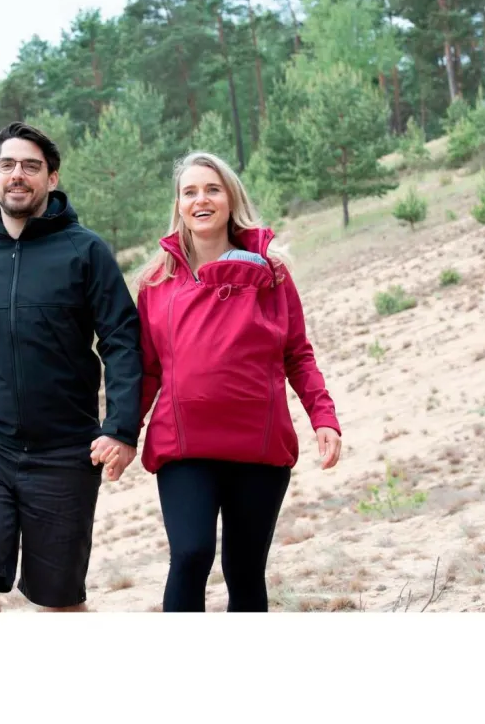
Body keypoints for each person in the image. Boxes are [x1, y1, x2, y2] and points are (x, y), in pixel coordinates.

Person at [0, 122, 142, 612]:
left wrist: (122, 428)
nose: (18, 174)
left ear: (51, 179)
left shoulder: (86, 252)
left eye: (31, 166)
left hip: (66, 451)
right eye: (8, 165)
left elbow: (123, 341)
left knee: (58, 601)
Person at [107, 150, 342, 612]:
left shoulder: (272, 274)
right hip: (183, 447)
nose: (201, 200)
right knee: (190, 554)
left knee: (245, 569)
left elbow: (297, 353)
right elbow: (148, 369)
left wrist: (324, 417)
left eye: (212, 189)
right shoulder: (156, 282)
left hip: (259, 444)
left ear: (231, 198)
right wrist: (123, 432)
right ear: (178, 205)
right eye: (190, 192)